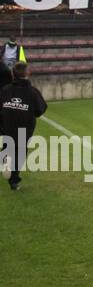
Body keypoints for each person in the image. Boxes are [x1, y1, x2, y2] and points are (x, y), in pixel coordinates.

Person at [1, 63, 47, 192]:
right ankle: (14, 181)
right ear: (28, 74)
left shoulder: (5, 90)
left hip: (7, 128)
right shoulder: (33, 92)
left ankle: (4, 160)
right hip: (23, 130)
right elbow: (40, 110)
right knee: (19, 154)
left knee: (7, 148)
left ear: (12, 74)